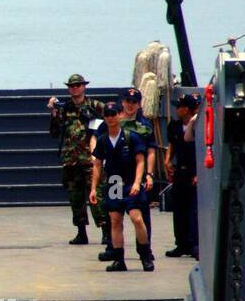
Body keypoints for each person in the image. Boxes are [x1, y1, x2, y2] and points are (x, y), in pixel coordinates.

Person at [90, 101, 154, 272]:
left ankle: (145, 254)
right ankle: (119, 259)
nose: (110, 118)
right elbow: (97, 165)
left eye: (113, 114)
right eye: (107, 115)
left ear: (119, 115)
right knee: (115, 221)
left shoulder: (131, 136)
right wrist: (93, 188)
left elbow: (140, 161)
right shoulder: (103, 140)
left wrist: (137, 182)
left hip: (130, 181)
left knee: (137, 218)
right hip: (114, 182)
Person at [48, 73, 108, 246]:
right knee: (76, 198)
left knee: (97, 196)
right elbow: (54, 132)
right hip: (71, 160)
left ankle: (105, 231)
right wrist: (53, 112)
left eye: (78, 85)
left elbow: (111, 121)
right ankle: (81, 232)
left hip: (91, 159)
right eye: (72, 86)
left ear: (84, 87)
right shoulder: (64, 108)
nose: (75, 88)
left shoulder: (95, 106)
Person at [165, 92, 201, 259]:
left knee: (193, 210)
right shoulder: (174, 126)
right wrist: (167, 161)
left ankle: (195, 244)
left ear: (186, 109)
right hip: (181, 170)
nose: (176, 110)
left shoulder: (199, 126)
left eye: (179, 107)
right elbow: (172, 144)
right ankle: (181, 244)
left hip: (195, 171)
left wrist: (199, 173)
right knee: (178, 208)